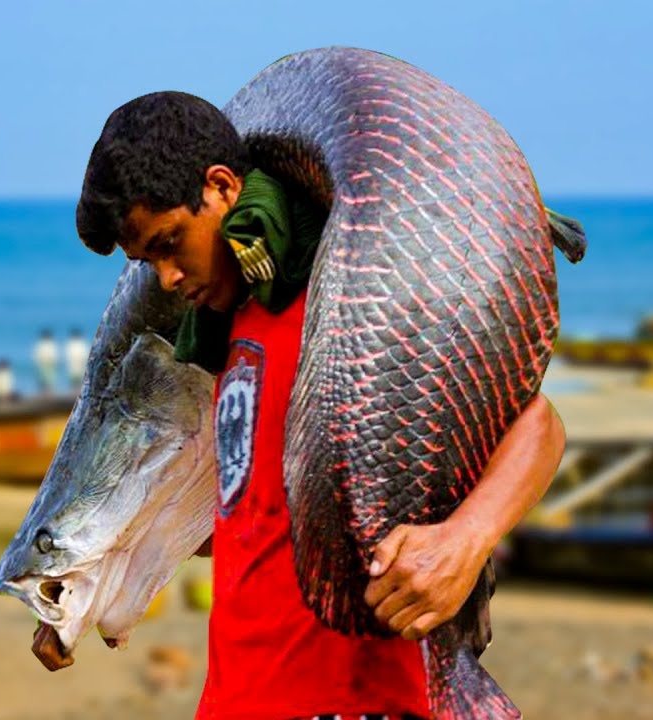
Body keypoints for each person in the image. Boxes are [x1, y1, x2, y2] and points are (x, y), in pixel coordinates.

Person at [30, 91, 568, 719]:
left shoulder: (353, 302)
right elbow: (247, 521)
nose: (168, 277)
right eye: (149, 260)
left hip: (357, 699)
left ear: (223, 187)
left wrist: (465, 540)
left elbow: (539, 424)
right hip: (237, 698)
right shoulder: (229, 325)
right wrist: (87, 582)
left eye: (171, 241)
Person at [33, 329, 60, 395]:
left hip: (48, 364)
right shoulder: (44, 344)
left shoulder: (43, 344)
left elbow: (55, 355)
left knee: (48, 381)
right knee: (45, 381)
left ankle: (47, 394)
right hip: (45, 364)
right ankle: (45, 394)